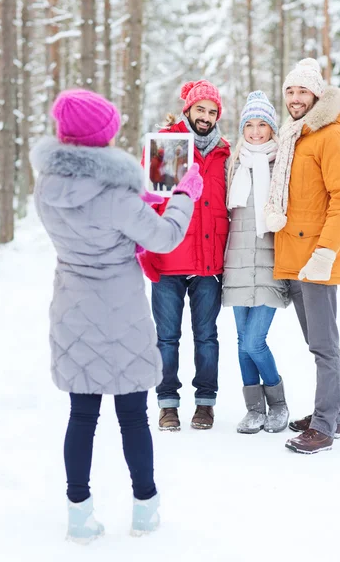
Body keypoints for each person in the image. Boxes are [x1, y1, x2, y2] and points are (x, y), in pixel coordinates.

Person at [30, 89, 203, 543]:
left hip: (73, 308)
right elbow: (164, 237)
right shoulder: (117, 194)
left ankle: (78, 515)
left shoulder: (46, 185)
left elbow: (93, 224)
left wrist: (135, 207)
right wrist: (183, 193)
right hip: (121, 314)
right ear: (101, 136)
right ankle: (145, 509)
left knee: (81, 415)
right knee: (132, 415)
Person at [264, 58, 340, 454]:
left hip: (316, 258)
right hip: (297, 255)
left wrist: (324, 252)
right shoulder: (295, 135)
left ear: (317, 94)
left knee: (324, 345)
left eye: (303, 90)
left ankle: (323, 425)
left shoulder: (331, 135)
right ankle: (330, 414)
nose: (295, 97)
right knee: (318, 342)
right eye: (290, 90)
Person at [138, 80, 231, 431]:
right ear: (188, 109)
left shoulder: (224, 152)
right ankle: (167, 404)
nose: (205, 116)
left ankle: (205, 404)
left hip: (208, 261)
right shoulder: (167, 144)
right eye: (200, 109)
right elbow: (150, 200)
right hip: (169, 257)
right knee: (166, 337)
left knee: (207, 337)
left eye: (212, 111)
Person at [223, 91, 291, 434]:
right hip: (235, 264)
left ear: (271, 128)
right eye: (248, 125)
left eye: (261, 124)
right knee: (240, 342)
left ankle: (278, 404)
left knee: (254, 341)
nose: (254, 131)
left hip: (270, 263)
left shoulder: (282, 163)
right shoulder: (233, 164)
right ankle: (254, 409)